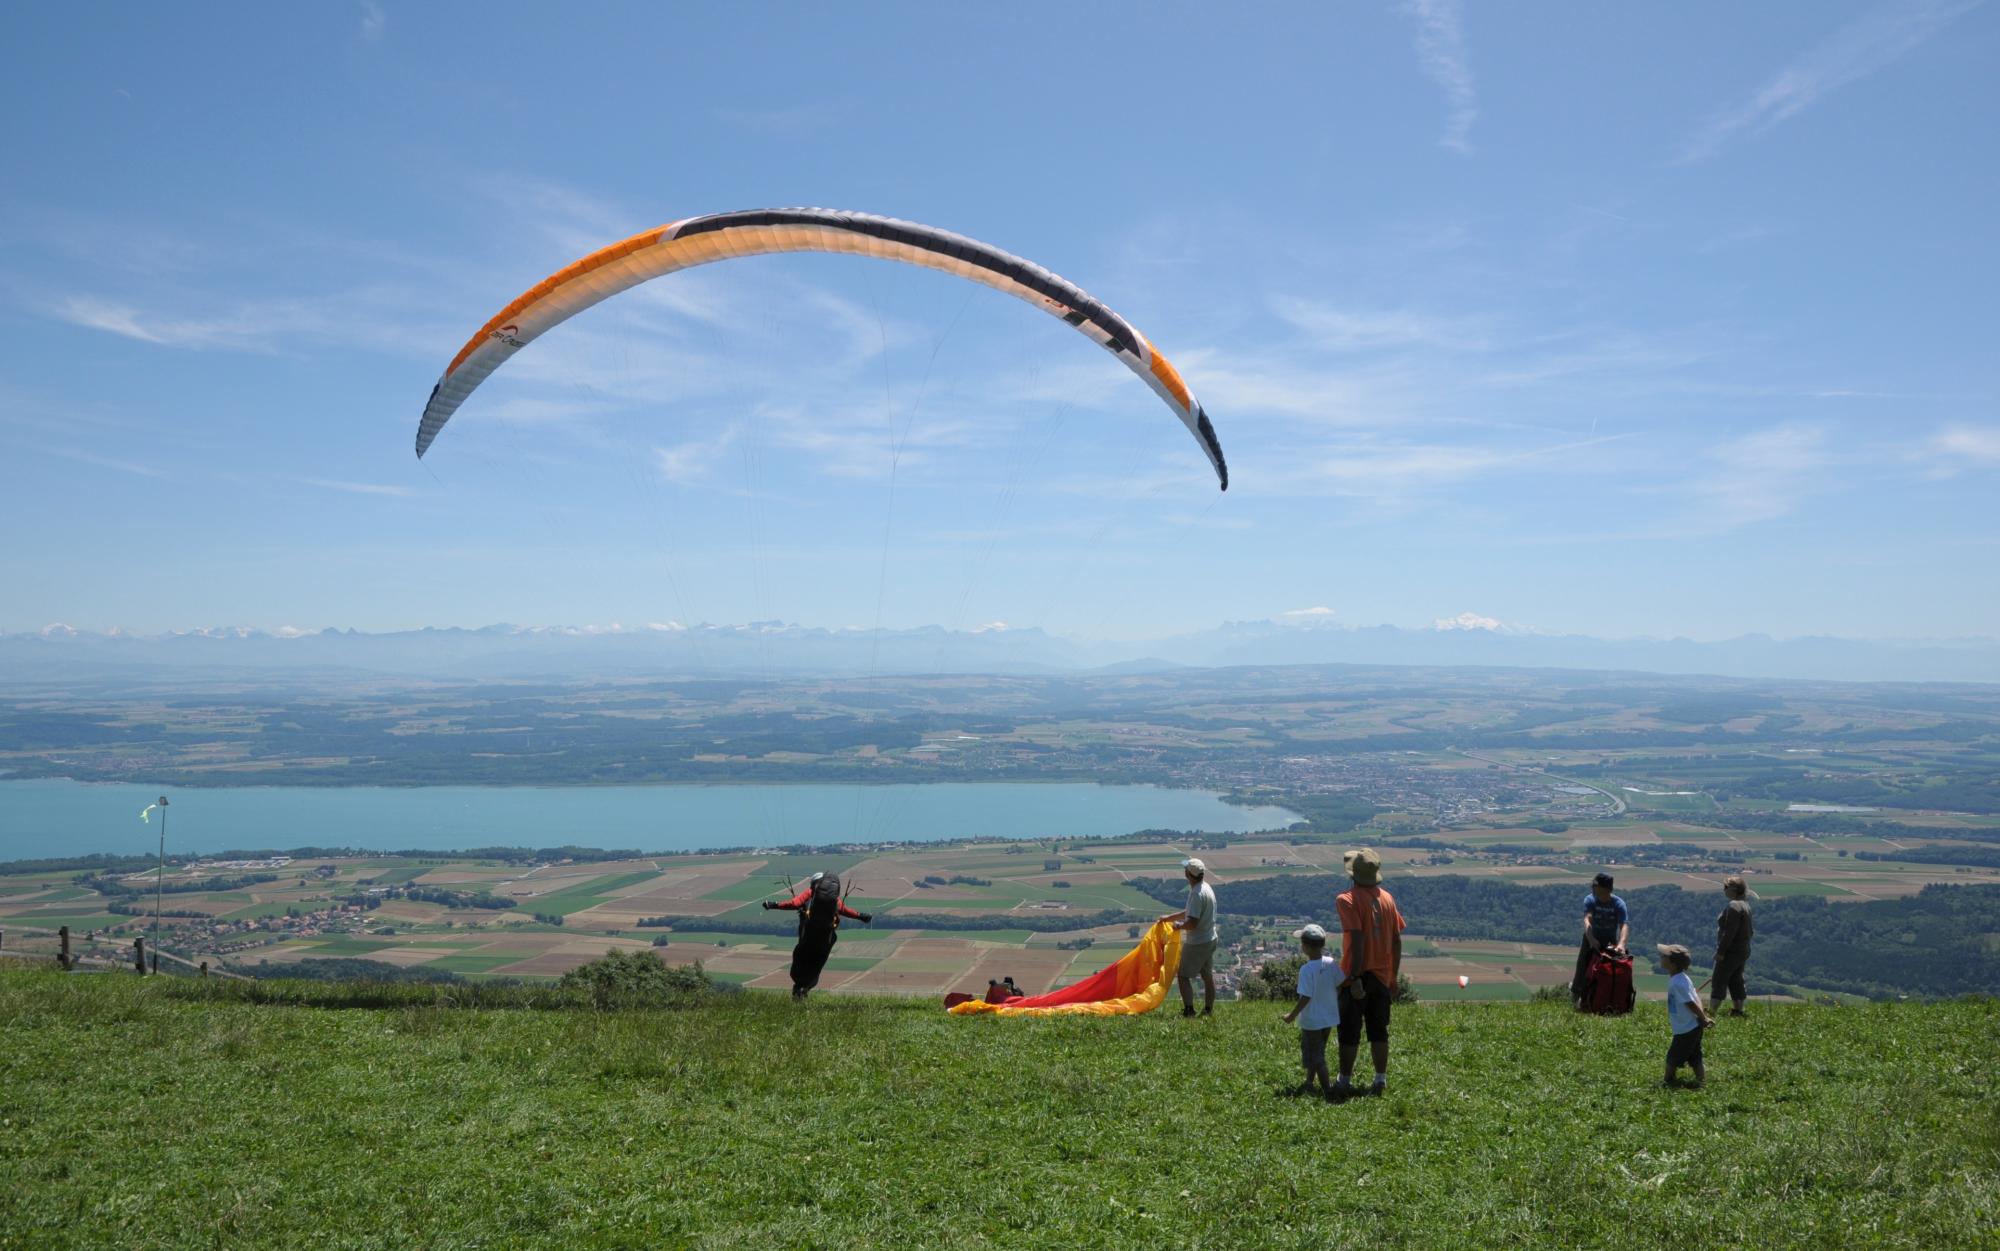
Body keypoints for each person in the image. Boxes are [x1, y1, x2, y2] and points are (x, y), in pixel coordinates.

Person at [1333, 848, 1405, 1097]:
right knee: (1379, 1030)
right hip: (1383, 975)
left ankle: (1344, 1080)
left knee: (1349, 1031)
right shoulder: (1387, 898)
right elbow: (1396, 940)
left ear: (1353, 874)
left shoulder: (1347, 900)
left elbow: (1357, 938)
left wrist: (1353, 977)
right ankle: (1380, 1080)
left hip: (1359, 975)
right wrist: (1393, 976)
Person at [763, 871, 870, 1000]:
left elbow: (794, 904)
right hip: (826, 938)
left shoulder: (810, 893)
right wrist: (860, 916)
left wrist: (773, 905)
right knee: (817, 963)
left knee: (801, 958)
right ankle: (806, 989)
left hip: (808, 935)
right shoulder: (833, 899)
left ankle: (799, 989)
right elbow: (844, 910)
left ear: (814, 884)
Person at [1281, 923, 1342, 1099]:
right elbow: (1340, 985)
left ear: (1305, 947)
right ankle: (1309, 1082)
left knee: (1316, 1056)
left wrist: (1291, 1016)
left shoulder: (1306, 970)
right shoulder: (1331, 963)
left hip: (1312, 1021)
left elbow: (1305, 997)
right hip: (1328, 1018)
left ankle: (1327, 1089)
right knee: (1317, 1051)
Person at [1158, 857, 1218, 1017]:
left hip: (1198, 942)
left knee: (1183, 976)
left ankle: (1189, 1011)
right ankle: (1208, 1010)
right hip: (1211, 938)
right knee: (1207, 976)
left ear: (1188, 874)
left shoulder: (1196, 894)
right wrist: (1168, 918)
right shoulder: (1206, 888)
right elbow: (1190, 912)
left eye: (1185, 869)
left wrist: (1178, 925)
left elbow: (1192, 922)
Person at [1570, 872, 1630, 1008]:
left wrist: (1621, 944)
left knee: (1607, 970)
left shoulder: (1618, 904)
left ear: (1605, 888)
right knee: (1582, 968)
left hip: (1609, 941)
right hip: (1590, 938)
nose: (1592, 888)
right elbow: (1587, 920)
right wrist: (1591, 939)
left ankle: (1604, 1000)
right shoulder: (1590, 900)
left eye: (1595, 886)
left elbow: (1624, 925)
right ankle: (1575, 1000)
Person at [1659, 944, 1714, 1088]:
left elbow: (1691, 1003)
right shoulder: (1682, 978)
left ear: (1672, 963)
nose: (1661, 957)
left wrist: (1703, 1018)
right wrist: (1701, 1019)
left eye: (1664, 956)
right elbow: (1696, 997)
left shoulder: (1678, 983)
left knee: (1672, 1057)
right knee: (1695, 1056)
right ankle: (1701, 1082)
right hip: (1691, 1026)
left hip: (1686, 1028)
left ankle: (1667, 1081)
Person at [1707, 876, 1755, 1017]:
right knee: (1735, 979)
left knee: (1719, 980)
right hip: (1742, 949)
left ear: (1733, 889)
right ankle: (1738, 1010)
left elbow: (1729, 932)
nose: (1724, 891)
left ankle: (1711, 1014)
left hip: (1731, 951)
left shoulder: (1733, 906)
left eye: (1725, 888)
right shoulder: (1745, 905)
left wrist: (1720, 952)